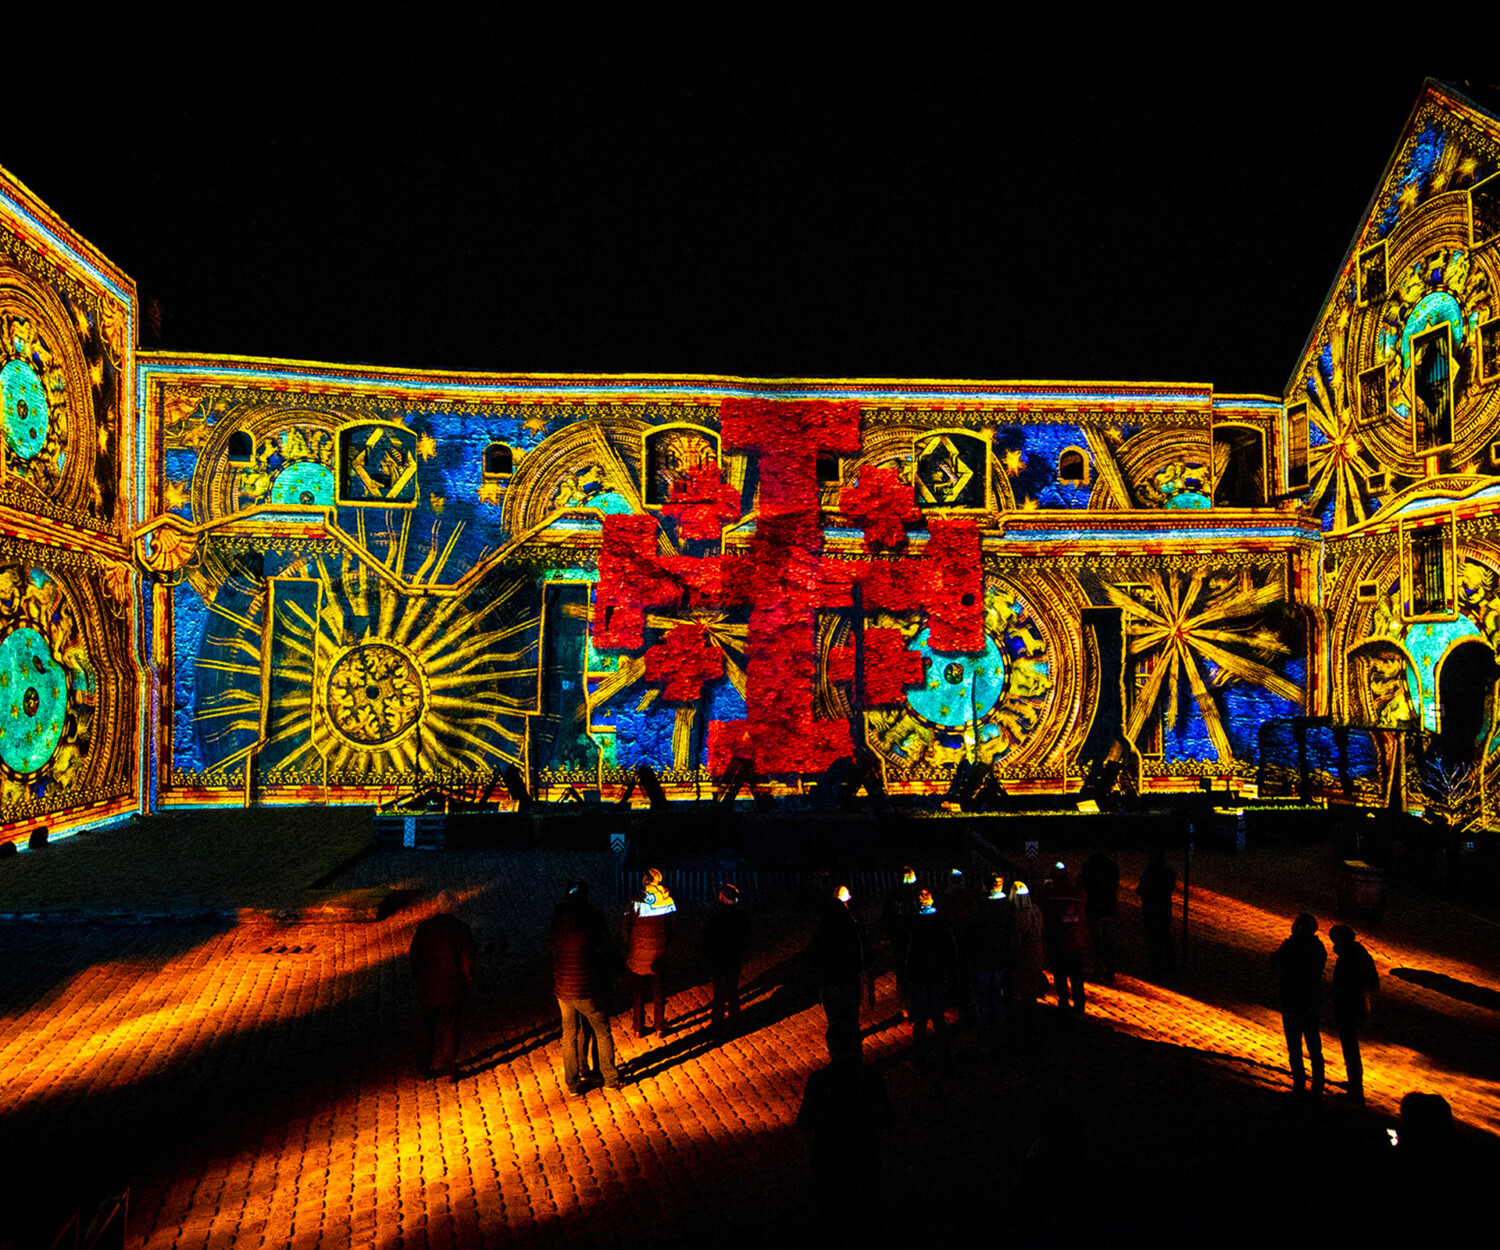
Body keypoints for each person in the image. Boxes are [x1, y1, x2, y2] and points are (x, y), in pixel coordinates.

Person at [796, 1040, 894, 1239]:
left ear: (830, 1048)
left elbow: (804, 1124)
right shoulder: (871, 1077)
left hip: (829, 1159)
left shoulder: (818, 1080)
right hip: (864, 1157)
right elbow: (888, 1120)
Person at [549, 880, 622, 1094]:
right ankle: (610, 1078)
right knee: (602, 1030)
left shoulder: (559, 915)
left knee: (570, 1033)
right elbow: (605, 947)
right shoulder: (591, 916)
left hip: (563, 987)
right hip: (587, 986)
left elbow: (551, 945)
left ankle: (574, 1081)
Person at [408, 890, 477, 1082]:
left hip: (428, 987)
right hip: (453, 988)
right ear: (454, 907)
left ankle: (423, 1068)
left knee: (427, 1028)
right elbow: (468, 961)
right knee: (450, 1028)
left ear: (437, 906)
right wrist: (467, 981)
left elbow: (415, 955)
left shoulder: (425, 928)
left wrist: (418, 978)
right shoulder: (461, 929)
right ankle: (449, 1068)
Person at [1270, 913, 1327, 1097]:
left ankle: (1299, 1081)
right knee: (1314, 1044)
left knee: (1295, 1044)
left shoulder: (1292, 945)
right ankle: (1318, 1083)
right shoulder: (1318, 947)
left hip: (1293, 999)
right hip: (1312, 1000)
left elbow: (1274, 960)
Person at [808, 885, 866, 1059]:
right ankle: (855, 1056)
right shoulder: (851, 929)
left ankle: (838, 1056)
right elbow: (863, 952)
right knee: (852, 1021)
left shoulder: (822, 931)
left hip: (829, 984)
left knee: (834, 1021)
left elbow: (812, 956)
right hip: (849, 982)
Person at [903, 888, 957, 1064]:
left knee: (920, 1018)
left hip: (919, 976)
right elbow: (951, 950)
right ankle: (943, 1053)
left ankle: (920, 1056)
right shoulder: (941, 921)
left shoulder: (912, 922)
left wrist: (908, 973)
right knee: (937, 1016)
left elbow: (908, 952)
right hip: (936, 975)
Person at [624, 867, 677, 1036]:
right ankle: (660, 1026)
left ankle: (638, 1027)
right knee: (659, 990)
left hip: (638, 952)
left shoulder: (636, 898)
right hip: (659, 953)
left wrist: (630, 943)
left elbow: (626, 924)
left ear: (646, 880)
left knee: (638, 991)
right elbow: (671, 926)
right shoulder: (666, 898)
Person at [1329, 923, 1378, 1104]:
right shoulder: (1363, 955)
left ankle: (1356, 1090)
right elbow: (1375, 983)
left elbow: (1344, 985)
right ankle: (1354, 1082)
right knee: (1351, 1047)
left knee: (1350, 1049)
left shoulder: (1348, 959)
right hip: (1362, 1005)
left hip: (1349, 1007)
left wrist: (1336, 995)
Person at [970, 871, 1013, 1056]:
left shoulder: (981, 907)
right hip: (1001, 961)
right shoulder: (1009, 906)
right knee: (998, 1001)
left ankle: (987, 1042)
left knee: (984, 1003)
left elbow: (974, 936)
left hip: (984, 962)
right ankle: (1002, 1040)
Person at [702, 882, 751, 1037]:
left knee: (719, 994)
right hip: (735, 960)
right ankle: (735, 1022)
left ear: (722, 898)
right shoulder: (742, 916)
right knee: (732, 991)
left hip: (720, 961)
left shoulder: (717, 918)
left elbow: (708, 941)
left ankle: (717, 1025)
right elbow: (747, 940)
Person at [1043, 861, 1087, 1014]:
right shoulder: (1078, 894)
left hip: (1057, 944)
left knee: (1060, 976)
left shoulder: (1050, 895)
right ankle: (1079, 1005)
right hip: (1075, 943)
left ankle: (1063, 1003)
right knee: (1076, 977)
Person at [1007, 881, 1047, 1048]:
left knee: (1021, 998)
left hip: (1023, 959)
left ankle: (1024, 1034)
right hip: (1036, 956)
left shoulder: (1018, 916)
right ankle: (1036, 1031)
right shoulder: (1036, 911)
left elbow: (1015, 942)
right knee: (1031, 995)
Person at [881, 866, 921, 1018]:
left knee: (907, 972)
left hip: (908, 939)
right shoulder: (898, 897)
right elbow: (887, 919)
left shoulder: (909, 895)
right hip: (903, 940)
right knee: (905, 973)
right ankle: (907, 1004)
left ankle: (910, 1003)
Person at [1078, 849, 1119, 984]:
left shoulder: (1089, 867)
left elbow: (1081, 885)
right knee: (1108, 941)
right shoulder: (1112, 867)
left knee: (1098, 942)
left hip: (1095, 908)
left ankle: (1098, 970)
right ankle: (1110, 971)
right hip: (1110, 908)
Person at [1136, 846, 1176, 977]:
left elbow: (1142, 888)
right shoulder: (1168, 872)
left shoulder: (1150, 871)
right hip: (1164, 908)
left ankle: (1158, 963)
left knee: (1155, 937)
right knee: (1165, 934)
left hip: (1151, 908)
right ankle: (1170, 963)